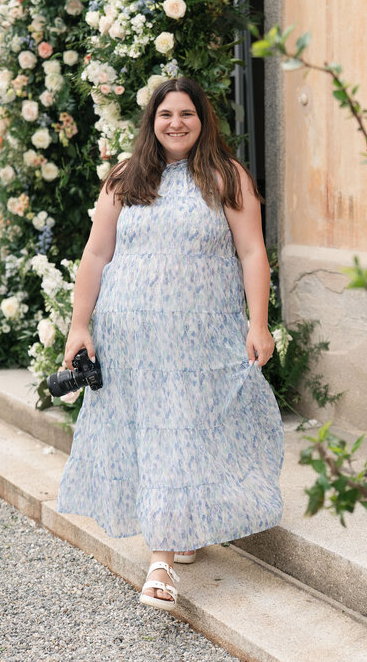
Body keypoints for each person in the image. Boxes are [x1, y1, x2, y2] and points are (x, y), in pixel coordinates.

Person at [56, 76, 284, 611]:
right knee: (159, 433)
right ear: (151, 122)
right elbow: (96, 255)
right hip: (132, 335)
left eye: (186, 113)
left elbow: (252, 253)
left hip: (202, 335)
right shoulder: (124, 178)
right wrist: (79, 326)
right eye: (165, 115)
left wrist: (259, 323)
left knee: (190, 429)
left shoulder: (227, 177)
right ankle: (160, 563)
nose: (175, 123)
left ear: (202, 120)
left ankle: (179, 528)